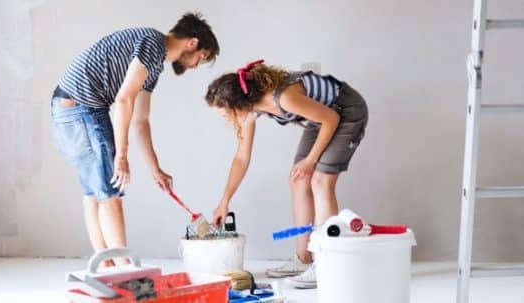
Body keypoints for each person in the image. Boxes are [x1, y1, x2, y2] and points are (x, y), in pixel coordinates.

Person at [50, 13, 219, 266]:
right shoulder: (153, 44)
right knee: (110, 191)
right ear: (192, 43)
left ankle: (106, 267)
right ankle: (123, 269)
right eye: (201, 58)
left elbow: (141, 121)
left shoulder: (153, 64)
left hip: (69, 108)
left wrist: (155, 169)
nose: (195, 65)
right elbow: (123, 100)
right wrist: (122, 155)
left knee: (95, 192)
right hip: (82, 108)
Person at [205, 60, 368, 288]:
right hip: (320, 116)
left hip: (345, 111)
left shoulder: (284, 98)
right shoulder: (251, 110)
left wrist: (311, 161)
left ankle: (326, 265)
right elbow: (241, 158)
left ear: (238, 104)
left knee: (320, 181)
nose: (225, 120)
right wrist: (224, 202)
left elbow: (331, 118)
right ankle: (304, 258)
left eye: (225, 114)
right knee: (299, 180)